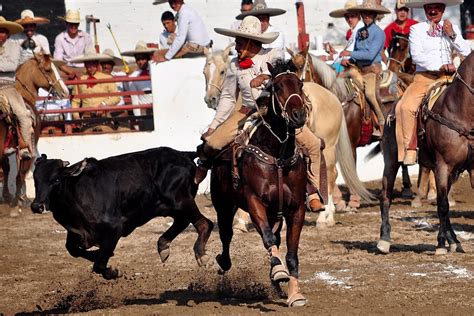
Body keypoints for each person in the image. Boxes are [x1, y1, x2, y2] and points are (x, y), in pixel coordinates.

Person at [195, 16, 325, 212]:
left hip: (277, 114)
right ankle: (202, 172)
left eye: (239, 42)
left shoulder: (273, 55)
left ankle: (312, 191)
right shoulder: (234, 65)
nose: (236, 46)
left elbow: (286, 77)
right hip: (247, 112)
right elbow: (229, 98)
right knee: (212, 142)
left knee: (313, 145)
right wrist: (214, 125)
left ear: (250, 42)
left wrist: (266, 77)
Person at [395, 0, 471, 165]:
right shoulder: (417, 29)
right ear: (425, 9)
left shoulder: (452, 27)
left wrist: (452, 34)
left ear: (443, 9)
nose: (433, 10)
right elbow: (417, 56)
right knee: (405, 106)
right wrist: (440, 66)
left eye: (436, 7)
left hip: (450, 79)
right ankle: (410, 148)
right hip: (425, 78)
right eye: (429, 7)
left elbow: (466, 51)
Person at [340, 0, 390, 137]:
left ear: (374, 15)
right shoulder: (360, 32)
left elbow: (369, 55)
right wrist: (349, 60)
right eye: (364, 13)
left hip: (371, 70)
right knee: (337, 82)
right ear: (361, 14)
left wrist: (350, 53)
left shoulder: (379, 33)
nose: (367, 16)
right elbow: (357, 51)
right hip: (358, 69)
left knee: (370, 94)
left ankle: (382, 121)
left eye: (370, 13)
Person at [0, 17, 34, 159]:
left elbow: (12, 65)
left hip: (7, 86)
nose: (0, 35)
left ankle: (24, 147)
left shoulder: (14, 47)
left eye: (2, 32)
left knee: (23, 114)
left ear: (7, 34)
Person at [69, 48, 120, 122]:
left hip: (104, 116)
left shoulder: (107, 78)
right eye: (88, 64)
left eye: (93, 63)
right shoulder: (80, 79)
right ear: (85, 64)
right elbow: (75, 101)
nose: (91, 67)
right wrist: (76, 117)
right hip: (86, 117)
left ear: (97, 63)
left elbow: (116, 97)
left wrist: (104, 104)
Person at [122, 41, 157, 130]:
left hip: (159, 107)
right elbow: (135, 100)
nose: (141, 62)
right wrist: (137, 121)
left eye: (143, 59)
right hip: (146, 111)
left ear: (148, 58)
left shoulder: (156, 71)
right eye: (138, 59)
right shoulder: (133, 77)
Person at [329, 0, 365, 73]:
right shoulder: (354, 30)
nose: (349, 19)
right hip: (347, 64)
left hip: (353, 66)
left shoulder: (360, 30)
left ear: (359, 16)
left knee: (326, 74)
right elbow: (348, 52)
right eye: (347, 17)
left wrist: (329, 57)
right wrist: (336, 53)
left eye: (352, 16)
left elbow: (352, 53)